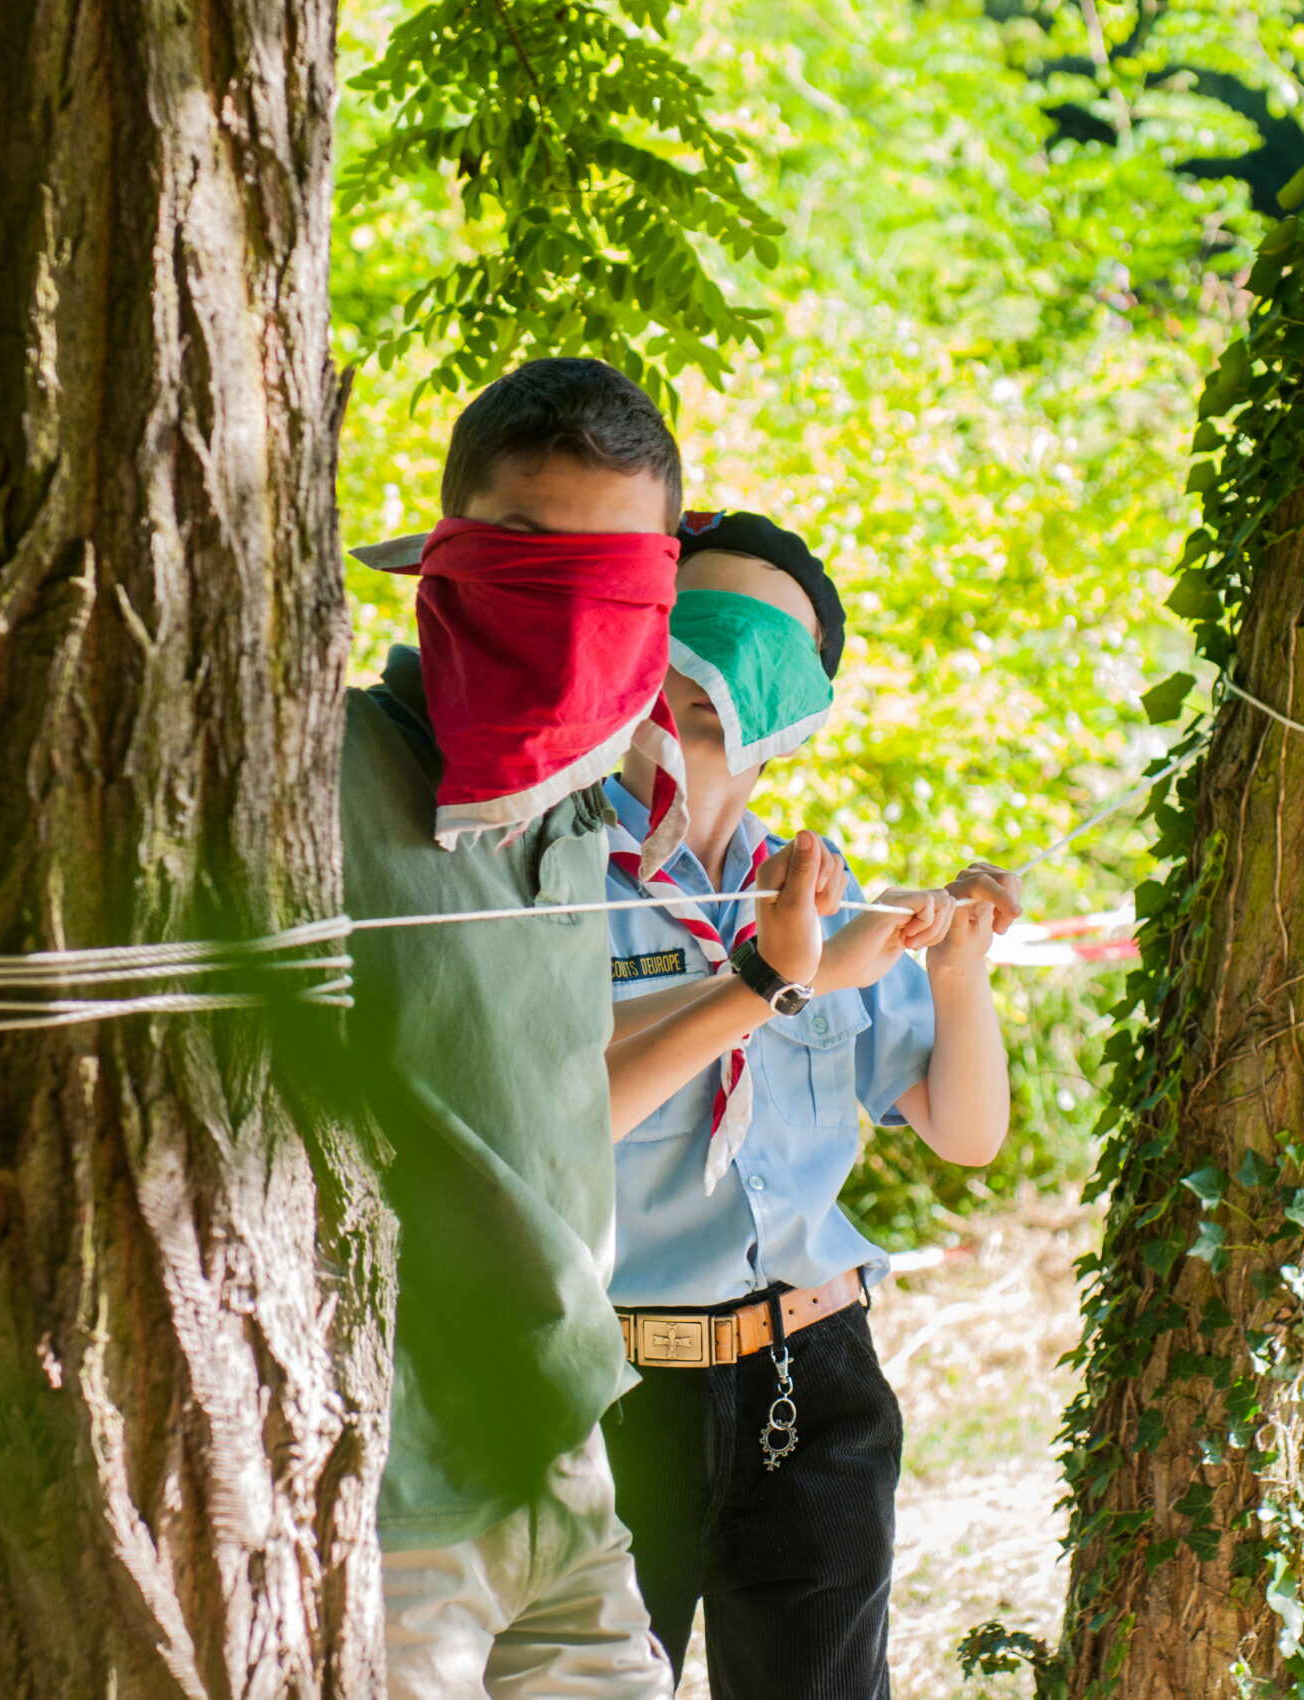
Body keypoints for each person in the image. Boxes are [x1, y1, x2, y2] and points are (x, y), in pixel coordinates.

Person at [340, 363, 840, 1700]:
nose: (567, 639)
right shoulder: (323, 774)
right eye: (527, 573)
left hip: (566, 1456)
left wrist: (760, 983)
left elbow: (560, 1107)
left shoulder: (579, 821)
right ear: (443, 566)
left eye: (608, 593)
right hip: (393, 1494)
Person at [593, 511, 1024, 1698]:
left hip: (814, 1375)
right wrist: (759, 979)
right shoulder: (549, 878)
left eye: (752, 651)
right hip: (617, 1382)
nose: (703, 675)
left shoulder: (825, 893)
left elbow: (966, 1131)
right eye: (684, 633)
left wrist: (956, 966)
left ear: (799, 704)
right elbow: (560, 1107)